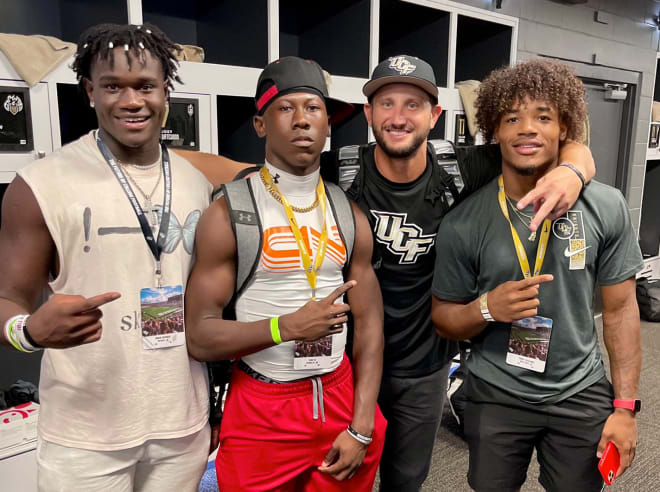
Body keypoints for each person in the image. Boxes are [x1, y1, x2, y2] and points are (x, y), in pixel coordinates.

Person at [182, 54, 596, 492]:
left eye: (413, 105)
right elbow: (244, 171)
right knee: (331, 474)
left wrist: (572, 170)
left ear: (435, 115)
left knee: (405, 480)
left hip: (423, 363)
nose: (398, 118)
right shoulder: (338, 167)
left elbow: (550, 143)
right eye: (386, 104)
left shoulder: (461, 166)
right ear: (368, 114)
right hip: (344, 364)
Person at [0, 23, 212, 491]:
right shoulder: (40, 184)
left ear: (166, 91)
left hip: (182, 426)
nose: (132, 101)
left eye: (145, 86)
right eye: (114, 86)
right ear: (89, 91)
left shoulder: (196, 183)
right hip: (84, 436)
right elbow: (7, 300)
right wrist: (29, 332)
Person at [431, 59, 642, 492]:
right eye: (512, 118)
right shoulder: (463, 222)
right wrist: (488, 308)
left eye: (543, 117)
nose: (528, 129)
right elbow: (443, 317)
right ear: (495, 132)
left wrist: (624, 409)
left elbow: (621, 311)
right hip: (494, 392)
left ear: (564, 128)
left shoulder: (606, 205)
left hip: (580, 390)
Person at [185, 56, 387, 491]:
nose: (302, 121)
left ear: (328, 125)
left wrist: (362, 422)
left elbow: (369, 323)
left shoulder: (349, 215)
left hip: (340, 394)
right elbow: (200, 336)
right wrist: (285, 327)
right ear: (260, 125)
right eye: (285, 108)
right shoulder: (229, 214)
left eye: (314, 109)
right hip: (263, 402)